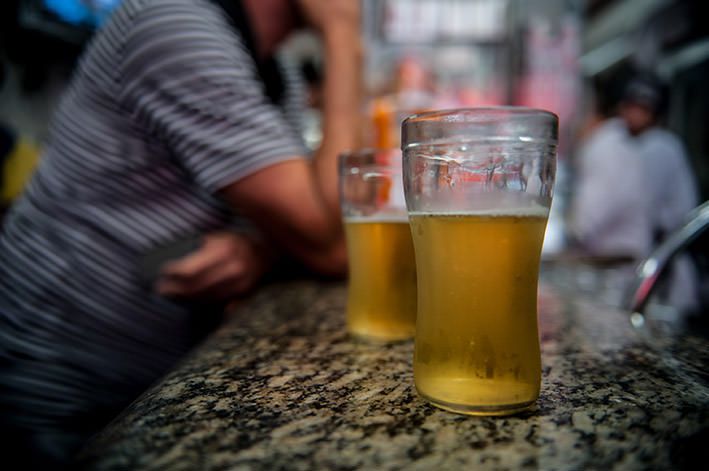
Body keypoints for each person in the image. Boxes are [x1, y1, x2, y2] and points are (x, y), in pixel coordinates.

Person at [0, 0, 360, 468]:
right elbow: (331, 243)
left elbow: (319, 222)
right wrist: (344, 35)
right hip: (59, 393)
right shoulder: (172, 22)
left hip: (150, 386)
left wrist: (264, 248)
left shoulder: (276, 69)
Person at [618, 74, 700, 312]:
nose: (631, 114)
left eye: (641, 109)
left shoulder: (658, 146)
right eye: (630, 106)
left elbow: (644, 208)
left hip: (668, 260)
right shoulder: (647, 143)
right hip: (663, 254)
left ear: (653, 113)